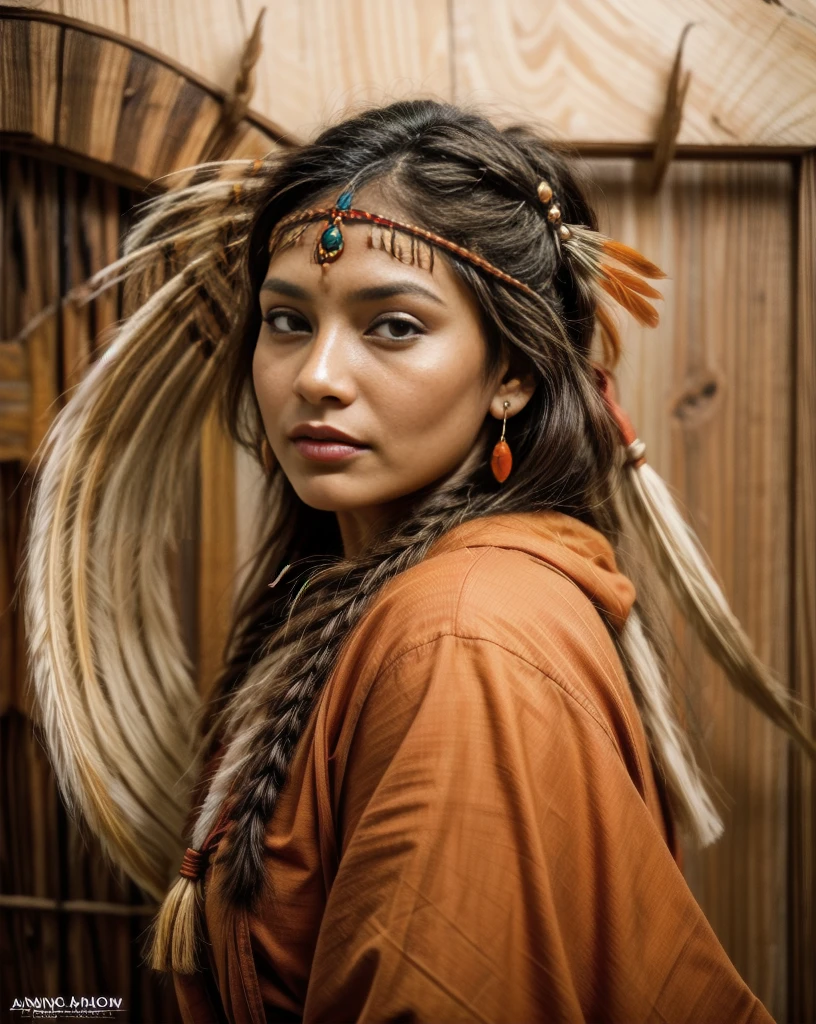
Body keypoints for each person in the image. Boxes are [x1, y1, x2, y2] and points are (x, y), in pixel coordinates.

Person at [21, 99, 814, 1023]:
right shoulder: (389, 597)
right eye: (285, 320)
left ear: (513, 370)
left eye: (392, 325)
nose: (316, 374)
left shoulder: (460, 637)